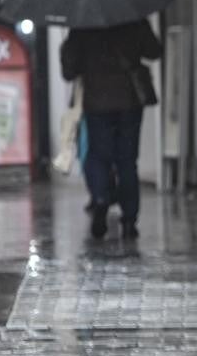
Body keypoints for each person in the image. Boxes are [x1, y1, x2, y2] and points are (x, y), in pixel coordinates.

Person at [60, 18, 162, 240]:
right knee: (127, 160)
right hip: (129, 100)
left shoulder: (82, 23)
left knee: (98, 155)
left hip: (96, 101)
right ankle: (129, 219)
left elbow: (69, 70)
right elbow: (154, 51)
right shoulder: (133, 17)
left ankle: (100, 198)